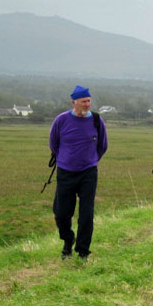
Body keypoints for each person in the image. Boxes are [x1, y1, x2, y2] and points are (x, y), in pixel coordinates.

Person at [50, 86, 108, 260]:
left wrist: (91, 160)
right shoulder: (61, 120)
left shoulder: (97, 120)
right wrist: (66, 159)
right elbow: (54, 144)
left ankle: (83, 251)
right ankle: (68, 240)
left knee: (86, 214)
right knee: (61, 213)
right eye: (83, 101)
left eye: (89, 101)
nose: (87, 104)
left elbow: (102, 146)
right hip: (65, 172)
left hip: (88, 173)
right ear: (73, 102)